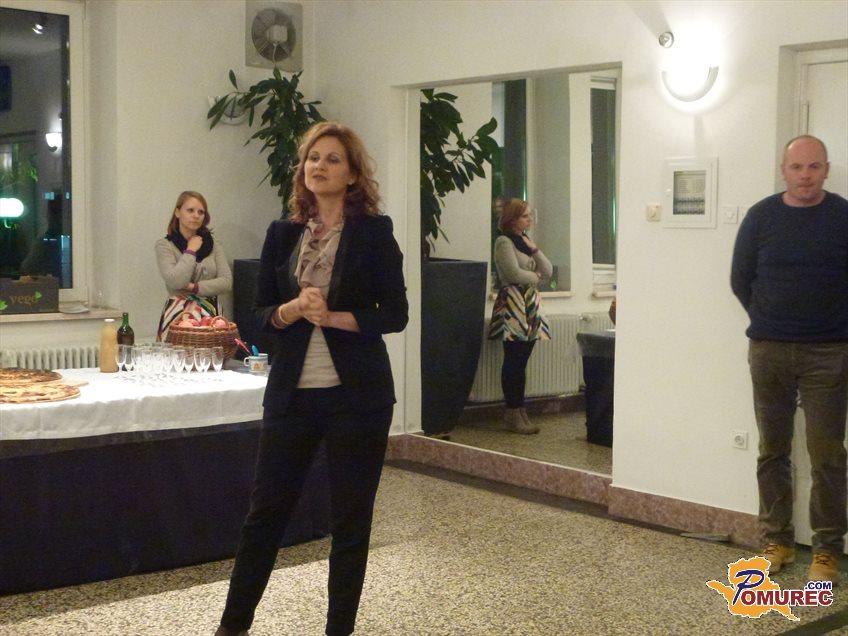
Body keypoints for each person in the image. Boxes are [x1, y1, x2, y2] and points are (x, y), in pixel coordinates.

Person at [215, 122, 408, 636]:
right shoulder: (282, 234)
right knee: (264, 518)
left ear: (352, 175)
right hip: (292, 398)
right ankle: (232, 627)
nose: (319, 166)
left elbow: (396, 313)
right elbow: (257, 317)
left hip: (358, 399)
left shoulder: (374, 232)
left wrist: (335, 318)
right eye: (312, 158)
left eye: (332, 159)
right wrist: (294, 309)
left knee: (350, 523)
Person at [731, 135, 847, 585]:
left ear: (826, 170)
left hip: (829, 353)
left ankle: (827, 549)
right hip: (769, 350)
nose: (805, 175)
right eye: (797, 167)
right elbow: (741, 278)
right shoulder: (761, 217)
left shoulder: (842, 216)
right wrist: (769, 318)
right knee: (772, 449)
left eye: (814, 167)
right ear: (784, 170)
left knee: (827, 454)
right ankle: (776, 540)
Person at [488, 199, 552, 434]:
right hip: (513, 303)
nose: (530, 220)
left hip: (530, 304)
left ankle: (520, 410)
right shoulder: (503, 242)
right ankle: (512, 412)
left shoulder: (525, 242)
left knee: (522, 360)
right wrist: (535, 277)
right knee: (514, 360)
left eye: (529, 215)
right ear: (512, 219)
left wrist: (534, 250)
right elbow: (513, 273)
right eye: (525, 216)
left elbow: (548, 270)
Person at [154, 191, 232, 340]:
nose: (196, 215)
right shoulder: (165, 245)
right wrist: (190, 250)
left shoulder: (214, 244)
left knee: (212, 354)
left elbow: (226, 282)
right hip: (178, 314)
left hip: (211, 315)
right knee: (177, 354)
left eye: (200, 212)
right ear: (178, 212)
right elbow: (175, 281)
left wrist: (194, 287)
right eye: (190, 210)